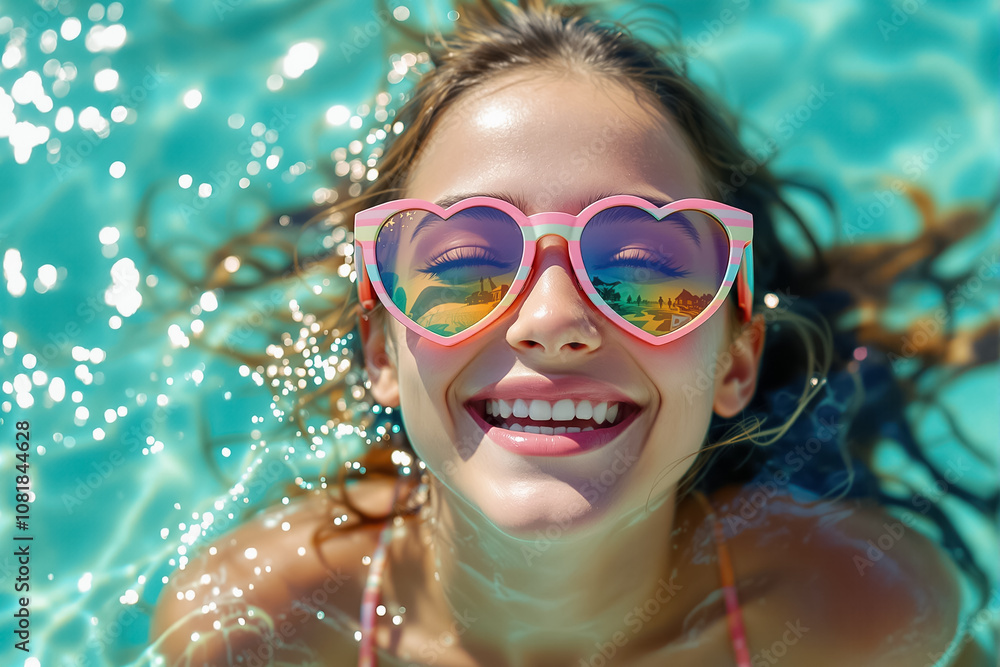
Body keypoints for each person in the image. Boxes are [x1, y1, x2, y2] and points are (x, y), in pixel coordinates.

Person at [148, 1, 996, 665]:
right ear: (379, 347)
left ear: (736, 358)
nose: (552, 320)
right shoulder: (253, 631)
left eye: (641, 266)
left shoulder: (862, 621)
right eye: (467, 264)